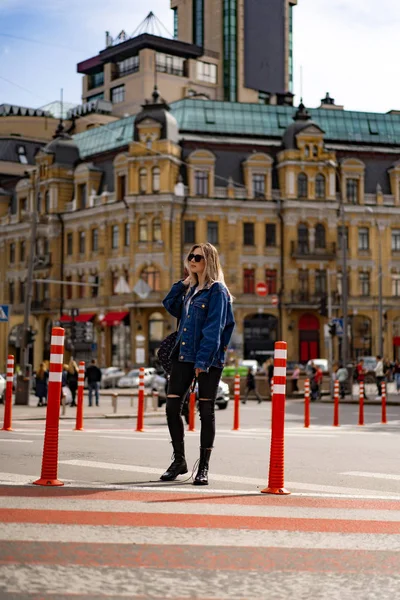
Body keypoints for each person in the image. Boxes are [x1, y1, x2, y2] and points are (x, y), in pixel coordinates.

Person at [160, 243, 235, 486]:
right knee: (172, 407)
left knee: (206, 411)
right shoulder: (190, 291)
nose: (192, 260)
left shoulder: (218, 292)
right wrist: (183, 283)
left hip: (208, 358)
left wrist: (202, 361)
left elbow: (214, 329)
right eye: (190, 257)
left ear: (209, 261)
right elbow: (168, 304)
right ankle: (179, 460)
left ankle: (202, 467)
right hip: (183, 355)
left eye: (198, 258)